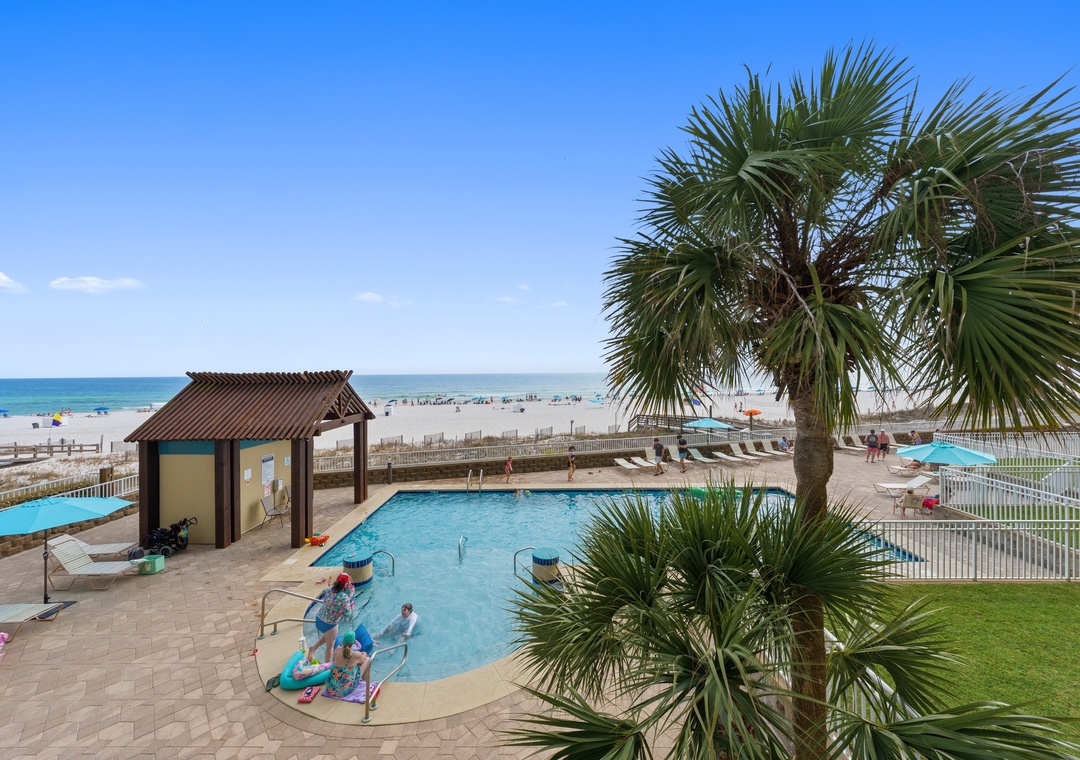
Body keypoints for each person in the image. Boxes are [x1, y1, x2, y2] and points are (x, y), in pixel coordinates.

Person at [311, 573, 355, 665]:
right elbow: (348, 614)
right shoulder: (344, 597)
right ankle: (328, 668)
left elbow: (323, 593)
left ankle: (313, 648)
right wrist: (350, 600)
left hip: (319, 618)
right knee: (330, 646)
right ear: (346, 585)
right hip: (329, 624)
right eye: (349, 584)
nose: (350, 586)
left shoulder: (329, 589)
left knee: (328, 637)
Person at [324, 631, 372, 699]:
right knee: (367, 659)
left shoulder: (337, 649)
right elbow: (362, 660)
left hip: (330, 687)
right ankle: (364, 684)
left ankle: (362, 682)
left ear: (343, 641)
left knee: (351, 666)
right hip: (344, 690)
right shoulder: (355, 654)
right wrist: (364, 653)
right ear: (353, 642)